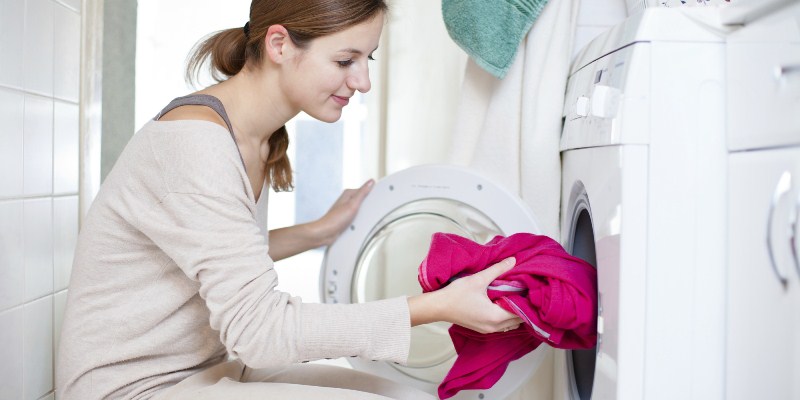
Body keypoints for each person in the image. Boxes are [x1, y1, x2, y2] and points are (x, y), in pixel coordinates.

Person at [56, 1, 523, 399]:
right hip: (134, 387)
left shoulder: (254, 134)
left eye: (368, 60)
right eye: (345, 60)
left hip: (207, 366)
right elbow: (261, 333)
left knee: (401, 393)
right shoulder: (196, 145)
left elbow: (222, 255)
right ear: (279, 45)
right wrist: (437, 306)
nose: (362, 82)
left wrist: (316, 231)